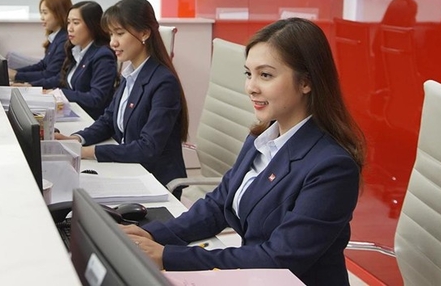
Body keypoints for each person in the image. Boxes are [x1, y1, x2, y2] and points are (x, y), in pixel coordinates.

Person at [122, 18, 365, 286]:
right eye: (249, 74)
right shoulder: (261, 138)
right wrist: (153, 235)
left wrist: (169, 257)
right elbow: (217, 206)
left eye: (266, 75)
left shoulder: (332, 167)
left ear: (306, 82)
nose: (251, 87)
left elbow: (278, 260)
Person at [55, 0, 188, 191]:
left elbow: (147, 149)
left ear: (144, 33)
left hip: (154, 181)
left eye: (119, 34)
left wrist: (87, 152)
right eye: (110, 35)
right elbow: (109, 120)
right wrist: (76, 139)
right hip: (131, 170)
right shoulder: (131, 73)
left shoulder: (163, 82)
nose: (112, 43)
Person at [46, 0, 117, 119]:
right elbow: (61, 80)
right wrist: (33, 87)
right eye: (68, 22)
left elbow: (95, 98)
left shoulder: (103, 56)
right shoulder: (77, 50)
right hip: (73, 113)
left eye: (76, 23)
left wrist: (59, 94)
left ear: (92, 25)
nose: (70, 28)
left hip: (90, 120)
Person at [9, 0, 72, 86]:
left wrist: (17, 76)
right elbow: (43, 65)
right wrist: (15, 73)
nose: (41, 18)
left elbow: (50, 74)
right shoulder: (56, 37)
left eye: (45, 13)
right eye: (41, 13)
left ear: (59, 13)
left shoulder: (64, 40)